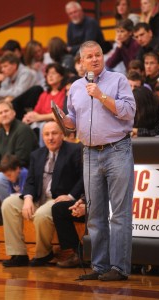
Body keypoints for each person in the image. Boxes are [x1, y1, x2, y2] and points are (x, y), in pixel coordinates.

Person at [59, 40, 136, 281]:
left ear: (103, 57)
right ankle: (100, 266)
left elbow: (128, 112)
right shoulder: (75, 87)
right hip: (89, 152)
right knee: (95, 212)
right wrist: (64, 119)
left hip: (117, 149)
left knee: (120, 213)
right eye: (89, 56)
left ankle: (120, 268)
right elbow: (73, 119)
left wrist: (100, 95)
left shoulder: (118, 80)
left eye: (98, 55)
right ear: (81, 62)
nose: (94, 59)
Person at [1, 121, 84, 267]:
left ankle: (43, 254)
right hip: (38, 197)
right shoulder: (37, 154)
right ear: (42, 137)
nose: (50, 137)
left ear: (62, 134)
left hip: (58, 198)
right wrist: (27, 198)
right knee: (8, 204)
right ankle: (18, 254)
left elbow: (84, 177)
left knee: (41, 214)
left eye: (54, 133)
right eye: (46, 134)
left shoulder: (75, 150)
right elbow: (31, 181)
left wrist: (71, 196)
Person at [0, 100, 38, 203]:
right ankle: (1, 213)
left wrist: (1, 170)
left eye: (6, 111)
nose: (4, 114)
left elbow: (21, 159)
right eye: (0, 113)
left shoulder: (23, 130)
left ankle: (12, 208)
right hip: (7, 169)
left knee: (0, 178)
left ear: (13, 112)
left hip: (24, 170)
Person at [22, 63, 68, 146]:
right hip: (42, 124)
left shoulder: (65, 92)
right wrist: (28, 117)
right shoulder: (44, 94)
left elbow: (59, 114)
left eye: (53, 73)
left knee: (44, 126)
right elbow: (36, 112)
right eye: (48, 74)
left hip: (59, 125)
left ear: (61, 76)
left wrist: (39, 117)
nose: (50, 76)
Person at [52, 196, 85, 268]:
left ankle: (104, 258)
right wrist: (83, 200)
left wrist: (88, 207)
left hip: (107, 205)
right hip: (92, 200)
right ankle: (79, 254)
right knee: (58, 208)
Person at [0, 154, 28, 226]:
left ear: (17, 169)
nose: (8, 178)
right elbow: (11, 194)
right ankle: (2, 213)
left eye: (9, 175)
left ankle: (2, 213)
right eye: (6, 176)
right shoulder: (10, 178)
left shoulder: (24, 174)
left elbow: (24, 194)